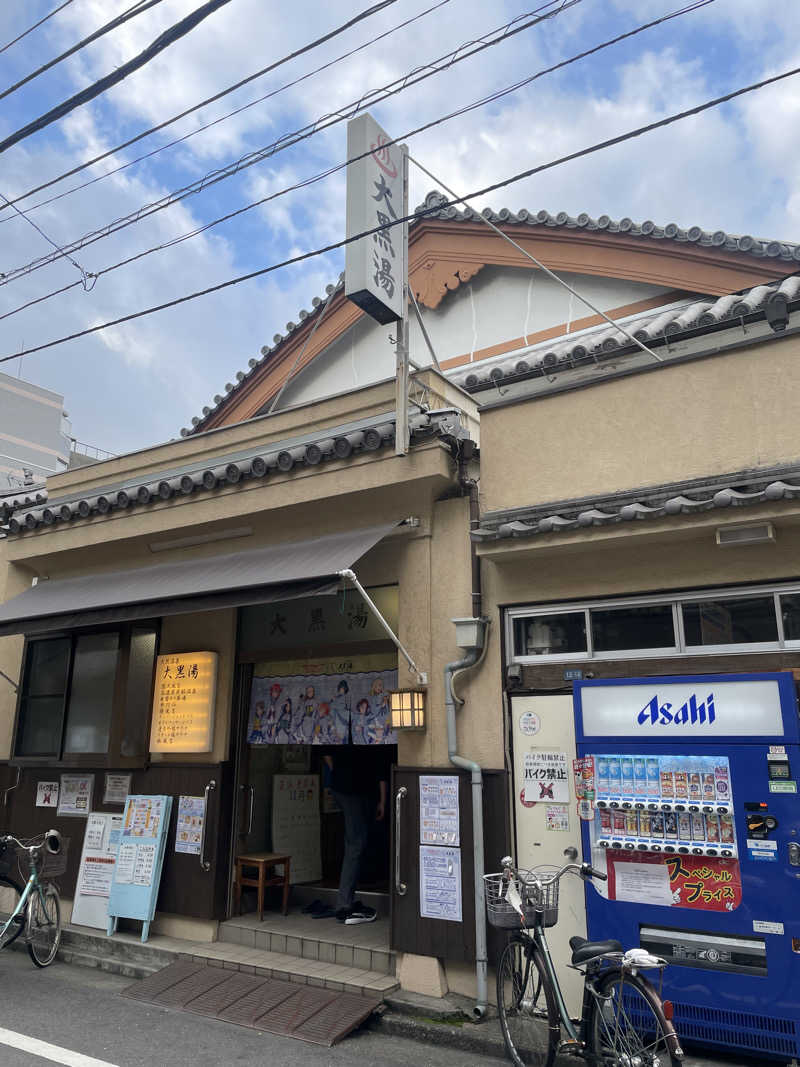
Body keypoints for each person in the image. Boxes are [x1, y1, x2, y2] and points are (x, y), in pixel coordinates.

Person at [323, 740, 392, 924]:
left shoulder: (341, 728)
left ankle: (347, 901)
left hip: (341, 789)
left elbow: (325, 750)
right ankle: (344, 905)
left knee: (355, 841)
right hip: (356, 791)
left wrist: (336, 774)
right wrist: (383, 801)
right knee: (355, 845)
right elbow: (381, 772)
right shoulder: (374, 734)